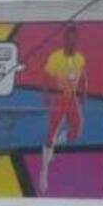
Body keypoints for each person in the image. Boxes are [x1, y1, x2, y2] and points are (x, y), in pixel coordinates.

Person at [39, 24, 87, 194]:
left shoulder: (80, 58)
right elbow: (46, 76)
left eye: (75, 39)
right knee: (51, 132)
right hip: (60, 96)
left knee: (76, 130)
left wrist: (83, 93)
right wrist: (45, 95)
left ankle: (52, 147)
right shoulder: (55, 57)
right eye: (70, 39)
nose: (72, 42)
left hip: (72, 96)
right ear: (65, 39)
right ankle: (43, 174)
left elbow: (83, 76)